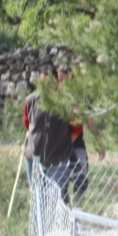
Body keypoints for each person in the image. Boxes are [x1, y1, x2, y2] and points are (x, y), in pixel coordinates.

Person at [22, 68, 81, 201]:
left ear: (55, 82)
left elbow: (76, 128)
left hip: (58, 159)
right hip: (33, 157)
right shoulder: (31, 100)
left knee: (54, 200)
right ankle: (38, 222)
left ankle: (63, 221)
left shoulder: (66, 103)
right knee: (37, 198)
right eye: (43, 82)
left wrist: (61, 143)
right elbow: (27, 123)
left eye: (49, 82)